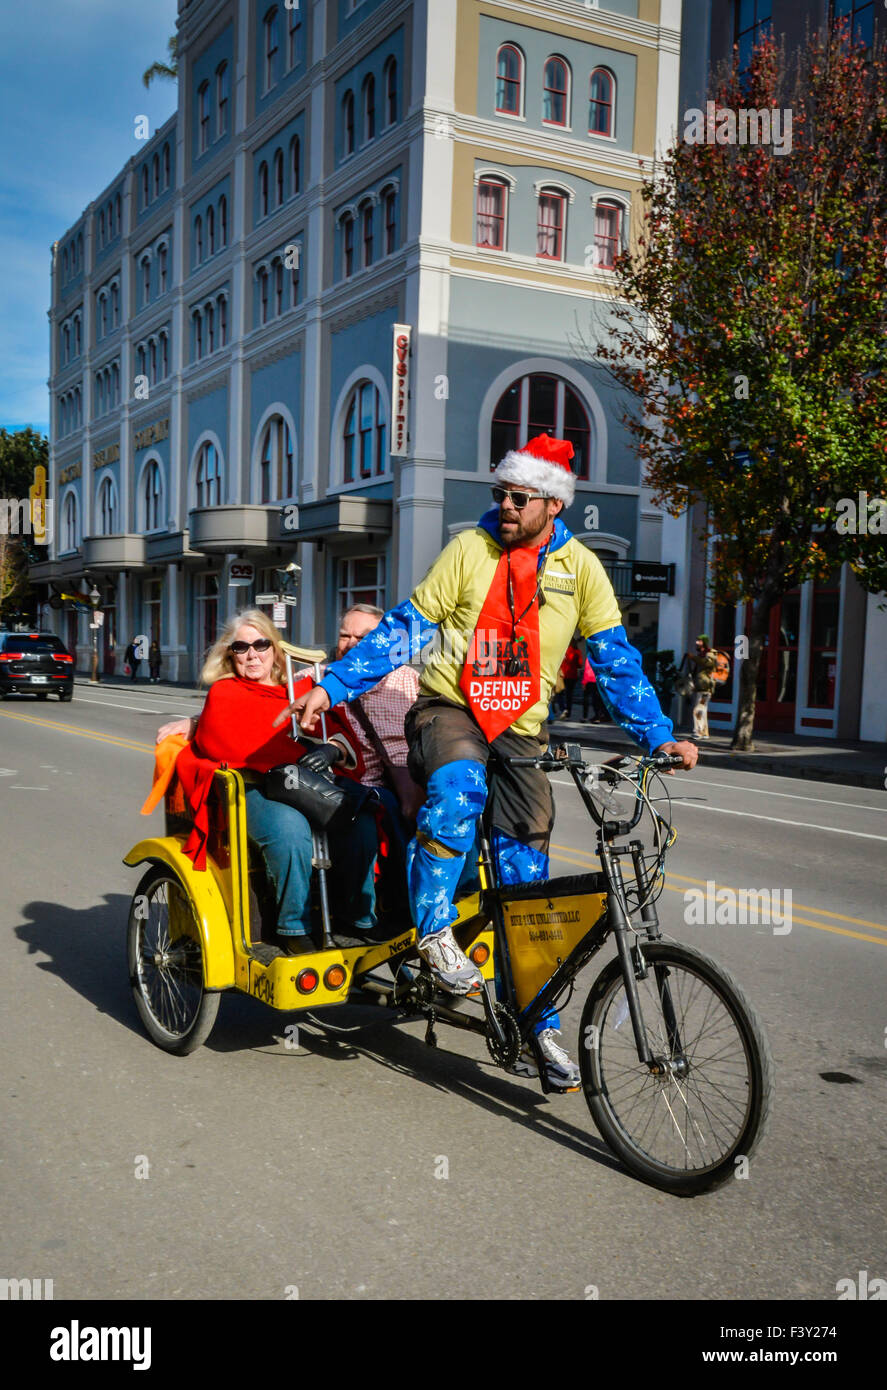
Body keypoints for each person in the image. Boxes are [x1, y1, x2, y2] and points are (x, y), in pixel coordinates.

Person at [285, 433, 698, 1091]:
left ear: (551, 504)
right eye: (499, 493)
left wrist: (657, 737)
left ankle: (537, 1025)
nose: (503, 504)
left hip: (523, 732)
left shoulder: (581, 570)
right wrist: (331, 685)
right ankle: (434, 934)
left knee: (524, 883)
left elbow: (614, 661)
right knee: (457, 789)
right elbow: (404, 630)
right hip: (448, 711)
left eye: (518, 496)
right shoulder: (468, 552)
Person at [158, 604, 421, 935]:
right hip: (254, 786)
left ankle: (358, 916)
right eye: (241, 647)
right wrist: (194, 722)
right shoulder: (225, 691)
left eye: (261, 645)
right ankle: (292, 926)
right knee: (291, 832)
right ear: (230, 655)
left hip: (307, 783)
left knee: (362, 822)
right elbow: (224, 740)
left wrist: (331, 749)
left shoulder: (298, 689)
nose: (252, 655)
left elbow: (341, 733)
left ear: (275, 648)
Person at [687, 633, 718, 739]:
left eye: (699, 641)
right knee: (702, 710)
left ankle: (698, 732)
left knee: (698, 709)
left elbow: (707, 664)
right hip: (701, 687)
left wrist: (693, 658)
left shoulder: (710, 653)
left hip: (706, 688)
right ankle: (704, 732)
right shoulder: (701, 654)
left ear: (704, 642)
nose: (697, 643)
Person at [555, 637, 582, 719]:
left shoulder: (563, 651)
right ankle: (568, 712)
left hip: (563, 675)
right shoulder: (577, 652)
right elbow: (580, 665)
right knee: (569, 695)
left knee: (560, 693)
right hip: (573, 676)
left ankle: (563, 709)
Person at [581, 652, 607, 722]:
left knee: (586, 699)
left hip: (589, 680)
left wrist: (584, 682)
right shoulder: (600, 658)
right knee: (597, 699)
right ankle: (597, 716)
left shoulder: (589, 657)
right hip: (597, 680)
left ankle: (585, 717)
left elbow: (587, 670)